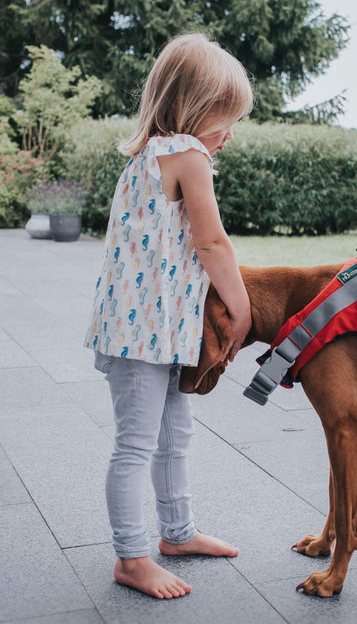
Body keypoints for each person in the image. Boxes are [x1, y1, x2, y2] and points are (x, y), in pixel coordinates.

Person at [85, 33, 254, 599]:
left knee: (174, 436)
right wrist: (241, 304)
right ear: (195, 107)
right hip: (143, 334)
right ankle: (132, 557)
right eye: (225, 119)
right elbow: (211, 242)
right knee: (138, 444)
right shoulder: (187, 154)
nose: (228, 134)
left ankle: (177, 532)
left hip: (157, 329)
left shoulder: (148, 154)